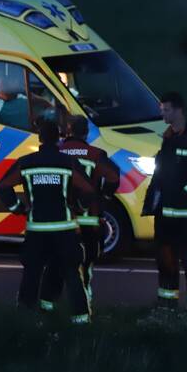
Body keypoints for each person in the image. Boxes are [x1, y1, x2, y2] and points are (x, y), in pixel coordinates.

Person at [0, 120, 95, 323]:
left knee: (31, 274)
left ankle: (26, 319)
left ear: (40, 138)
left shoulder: (26, 162)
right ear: (59, 138)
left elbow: (3, 185)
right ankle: (82, 321)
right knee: (71, 274)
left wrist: (18, 209)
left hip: (36, 230)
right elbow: (89, 190)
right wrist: (78, 207)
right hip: (65, 229)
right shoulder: (68, 163)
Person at [40, 115, 119, 312]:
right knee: (85, 266)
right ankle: (85, 306)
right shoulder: (96, 154)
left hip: (64, 221)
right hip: (90, 221)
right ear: (86, 132)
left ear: (67, 131)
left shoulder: (58, 152)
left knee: (56, 264)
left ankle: (48, 307)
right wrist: (104, 195)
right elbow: (113, 177)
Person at [141, 91, 187, 310]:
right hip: (164, 215)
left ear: (179, 110)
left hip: (185, 216)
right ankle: (166, 305)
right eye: (162, 109)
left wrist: (186, 192)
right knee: (165, 263)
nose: (163, 112)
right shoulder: (168, 137)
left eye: (167, 109)